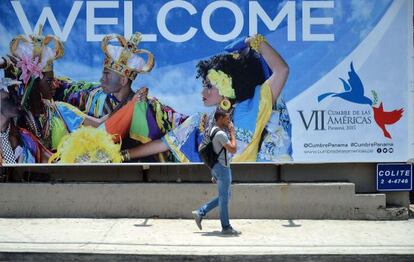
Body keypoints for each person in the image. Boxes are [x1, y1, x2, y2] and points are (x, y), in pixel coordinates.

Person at [119, 34, 291, 163]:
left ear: (227, 86)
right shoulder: (199, 122)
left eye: (209, 86)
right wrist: (123, 156)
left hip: (251, 188)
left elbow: (281, 70)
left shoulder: (254, 105)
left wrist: (252, 40)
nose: (203, 92)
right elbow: (163, 144)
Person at [191, 109, 239, 234]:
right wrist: (232, 132)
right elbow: (233, 149)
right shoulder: (220, 134)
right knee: (224, 198)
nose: (229, 121)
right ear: (219, 118)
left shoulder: (211, 130)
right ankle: (226, 227)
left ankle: (200, 212)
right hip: (222, 168)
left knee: (225, 196)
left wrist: (213, 171)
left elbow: (210, 152)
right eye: (226, 118)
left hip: (216, 167)